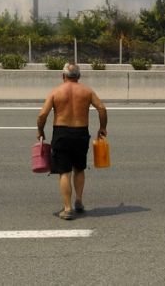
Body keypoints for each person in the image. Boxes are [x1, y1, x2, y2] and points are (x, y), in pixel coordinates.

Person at [36, 62, 108, 220]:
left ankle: (67, 208)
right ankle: (79, 201)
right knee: (79, 168)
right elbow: (102, 108)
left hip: (62, 133)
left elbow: (42, 115)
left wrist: (40, 131)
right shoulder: (87, 91)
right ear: (79, 76)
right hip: (81, 133)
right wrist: (102, 128)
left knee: (64, 172)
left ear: (63, 76)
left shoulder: (56, 91)